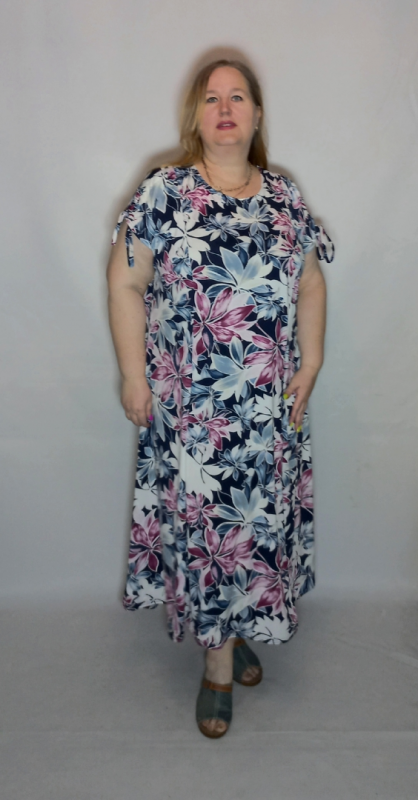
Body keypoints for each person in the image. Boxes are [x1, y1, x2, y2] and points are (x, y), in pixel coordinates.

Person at [107, 58, 334, 739]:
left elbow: (311, 282)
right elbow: (125, 283)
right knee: (212, 536)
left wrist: (313, 360)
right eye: (212, 98)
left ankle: (238, 630)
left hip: (269, 415)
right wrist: (133, 375)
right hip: (195, 416)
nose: (226, 107)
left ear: (257, 115)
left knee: (256, 529)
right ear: (196, 116)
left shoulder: (285, 197)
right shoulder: (164, 192)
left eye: (239, 96)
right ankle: (216, 665)